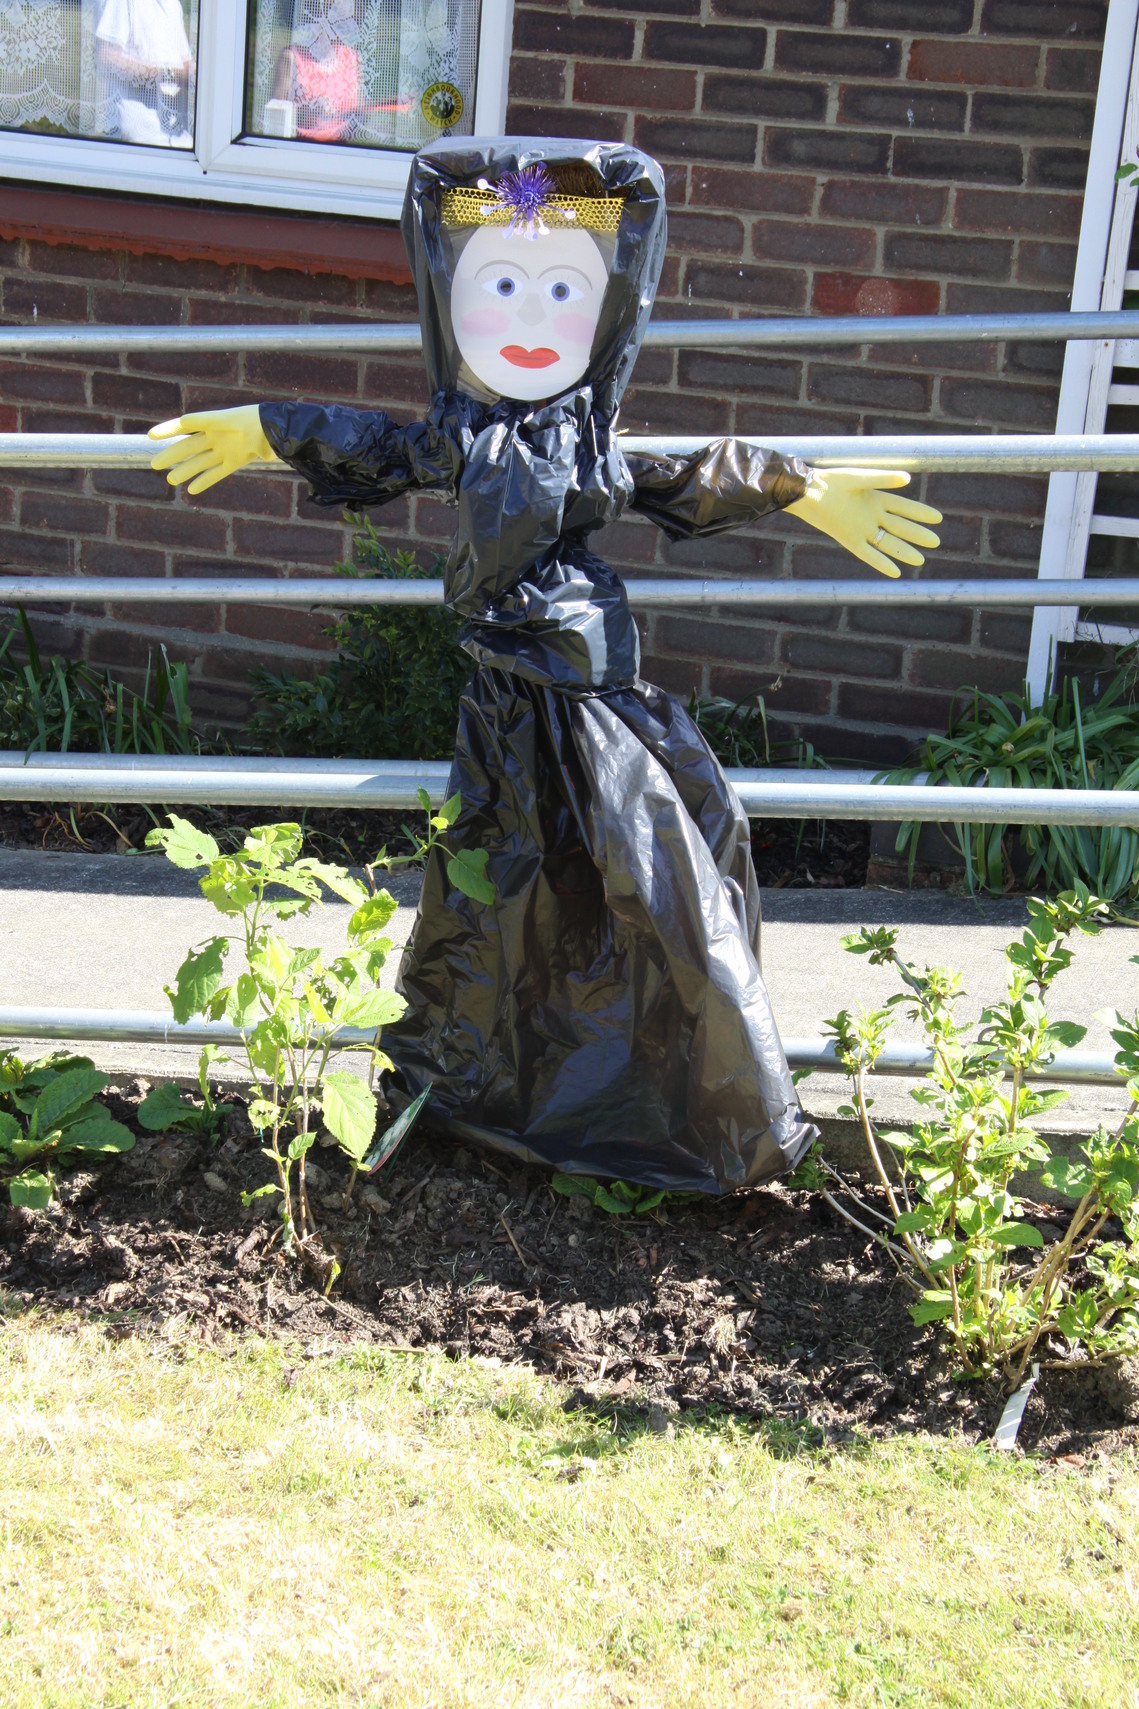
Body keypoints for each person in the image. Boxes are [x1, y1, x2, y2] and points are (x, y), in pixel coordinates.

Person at [149, 139, 942, 1195]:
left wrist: (799, 485)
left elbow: (678, 474)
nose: (530, 316)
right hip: (511, 701)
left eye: (564, 289)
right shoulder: (466, 438)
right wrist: (269, 429)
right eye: (500, 285)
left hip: (595, 697)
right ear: (449, 299)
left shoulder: (586, 446)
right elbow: (379, 448)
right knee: (500, 893)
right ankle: (491, 1100)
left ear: (607, 309)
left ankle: (703, 1116)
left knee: (659, 887)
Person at [95, 0, 195, 148]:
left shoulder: (173, 4)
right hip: (142, 136)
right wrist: (166, 75)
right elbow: (107, 57)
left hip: (178, 135)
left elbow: (184, 63)